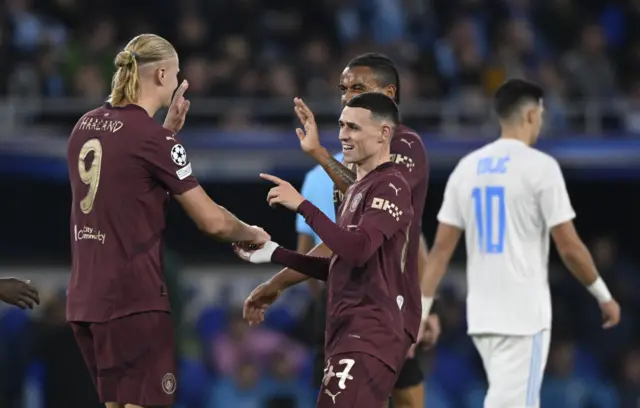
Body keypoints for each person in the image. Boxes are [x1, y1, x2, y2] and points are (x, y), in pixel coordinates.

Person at [65, 34, 270, 408]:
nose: (177, 83)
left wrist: (166, 133)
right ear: (161, 74)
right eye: (176, 75)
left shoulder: (84, 126)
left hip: (86, 299)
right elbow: (213, 222)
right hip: (134, 300)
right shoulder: (154, 140)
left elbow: (124, 183)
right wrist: (251, 232)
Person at [244, 53, 439, 408]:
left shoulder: (404, 148)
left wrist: (311, 181)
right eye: (344, 89)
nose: (348, 95)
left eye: (359, 88)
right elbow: (341, 245)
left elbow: (369, 236)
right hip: (348, 310)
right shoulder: (356, 169)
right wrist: (275, 275)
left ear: (389, 93)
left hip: (383, 311)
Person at [421, 78, 621, 408]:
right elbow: (569, 247)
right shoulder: (540, 167)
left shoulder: (466, 168)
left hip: (483, 314)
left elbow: (441, 251)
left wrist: (423, 310)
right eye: (541, 114)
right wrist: (602, 294)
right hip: (521, 312)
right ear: (530, 115)